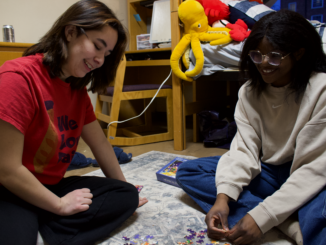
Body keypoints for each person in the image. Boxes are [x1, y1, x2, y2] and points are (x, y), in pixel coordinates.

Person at [0, 1, 147, 244]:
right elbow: (7, 170)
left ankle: (42, 221)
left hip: (51, 184)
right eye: (97, 47)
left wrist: (127, 189)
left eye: (106, 54)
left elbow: (100, 144)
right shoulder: (17, 78)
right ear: (70, 32)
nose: (100, 60)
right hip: (10, 189)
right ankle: (42, 220)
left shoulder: (76, 89)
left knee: (125, 195)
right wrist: (58, 205)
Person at [176, 9, 326, 245]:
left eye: (274, 56)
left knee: (319, 214)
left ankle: (276, 217)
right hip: (269, 172)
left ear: (298, 53)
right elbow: (244, 150)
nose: (264, 64)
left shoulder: (321, 89)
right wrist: (224, 196)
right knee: (189, 172)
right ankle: (286, 223)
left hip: (310, 172)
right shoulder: (249, 92)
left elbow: (315, 168)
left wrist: (261, 216)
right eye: (256, 55)